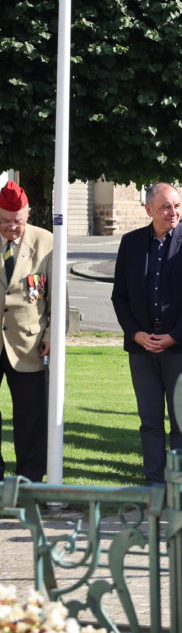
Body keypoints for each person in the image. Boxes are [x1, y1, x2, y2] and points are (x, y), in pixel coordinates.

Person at [112, 183, 182, 485]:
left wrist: (174, 336)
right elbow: (120, 296)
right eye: (166, 206)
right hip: (142, 348)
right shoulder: (131, 243)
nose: (174, 212)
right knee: (150, 420)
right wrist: (136, 334)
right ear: (149, 210)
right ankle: (154, 483)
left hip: (180, 347)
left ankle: (181, 483)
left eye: (177, 205)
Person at [0, 181, 52, 483]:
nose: (11, 227)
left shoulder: (45, 242)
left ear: (28, 214)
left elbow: (57, 298)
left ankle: (30, 480)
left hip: (29, 343)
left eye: (17, 220)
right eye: (5, 220)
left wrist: (51, 338)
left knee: (31, 417)